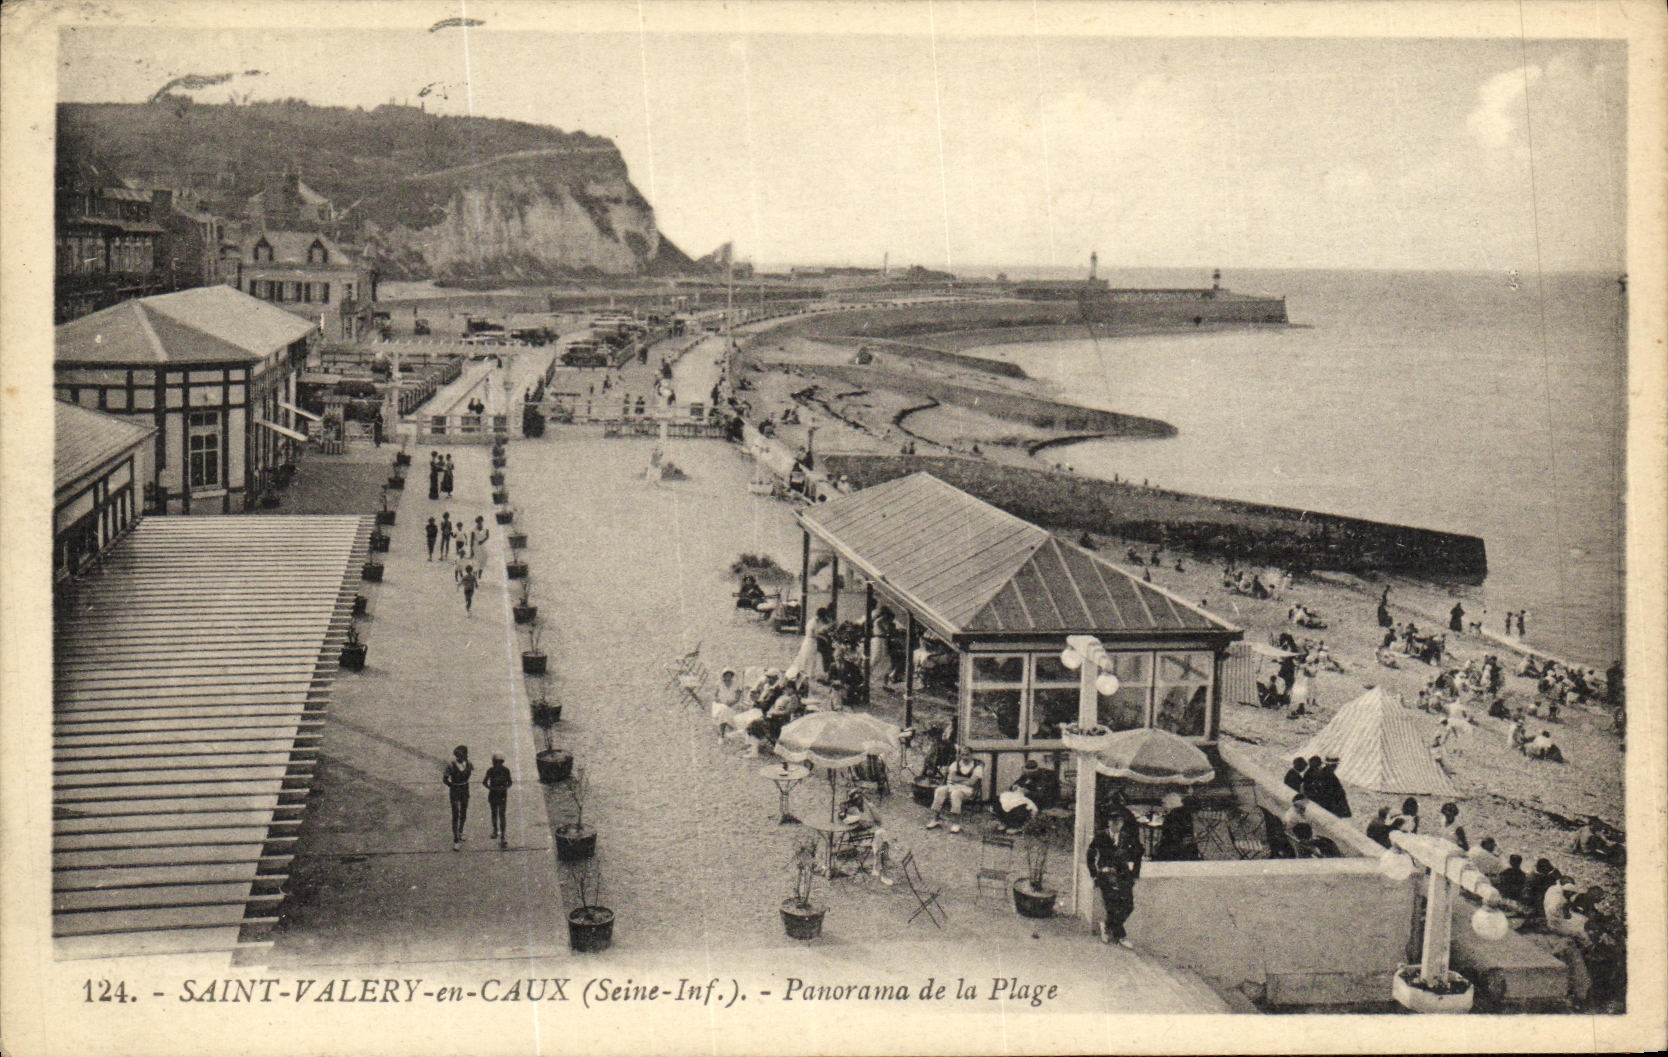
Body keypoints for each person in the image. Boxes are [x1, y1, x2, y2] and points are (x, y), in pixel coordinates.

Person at [1088, 812, 1143, 948]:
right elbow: (1090, 854)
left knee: (1129, 905)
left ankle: (1107, 925)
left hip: (1124, 874)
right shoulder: (1101, 836)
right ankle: (1120, 935)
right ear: (1108, 823)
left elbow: (1138, 853)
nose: (1116, 825)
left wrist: (1135, 873)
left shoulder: (1126, 838)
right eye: (1113, 822)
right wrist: (1094, 874)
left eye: (1118, 822)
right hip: (1106, 872)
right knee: (1112, 902)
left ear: (1122, 823)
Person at [839, 789, 894, 885]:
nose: (860, 801)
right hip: (860, 837)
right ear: (853, 800)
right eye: (856, 799)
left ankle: (880, 865)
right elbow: (852, 825)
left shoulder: (866, 806)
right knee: (880, 835)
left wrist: (871, 806)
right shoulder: (852, 810)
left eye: (860, 798)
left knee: (880, 836)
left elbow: (879, 820)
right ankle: (881, 870)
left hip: (871, 834)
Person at [926, 748, 983, 833]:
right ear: (960, 755)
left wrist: (959, 779)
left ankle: (956, 823)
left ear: (972, 755)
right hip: (952, 786)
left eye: (967, 754)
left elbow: (972, 782)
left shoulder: (977, 767)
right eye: (963, 755)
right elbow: (953, 778)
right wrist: (966, 779)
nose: (965, 757)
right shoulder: (955, 764)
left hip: (967, 790)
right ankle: (935, 819)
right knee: (940, 790)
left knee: (955, 794)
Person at [1154, 791, 1199, 861]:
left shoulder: (1171, 816)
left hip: (1175, 851)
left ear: (1170, 804)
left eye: (1164, 803)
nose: (1162, 806)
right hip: (1189, 849)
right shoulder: (1185, 813)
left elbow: (1170, 836)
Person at [443, 746, 473, 849]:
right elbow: (445, 779)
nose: (460, 757)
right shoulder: (451, 766)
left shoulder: (469, 764)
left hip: (465, 789)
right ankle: (456, 839)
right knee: (455, 813)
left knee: (463, 812)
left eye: (462, 755)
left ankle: (460, 831)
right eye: (458, 756)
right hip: (455, 790)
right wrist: (452, 786)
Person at [483, 753, 512, 848]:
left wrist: (504, 788)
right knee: (494, 813)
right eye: (495, 762)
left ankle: (503, 834)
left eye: (499, 762)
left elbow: (510, 782)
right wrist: (491, 788)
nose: (497, 764)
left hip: (502, 794)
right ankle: (495, 830)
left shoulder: (506, 771)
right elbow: (484, 782)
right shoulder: (490, 771)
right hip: (493, 794)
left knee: (502, 814)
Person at [710, 668, 744, 739]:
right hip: (719, 705)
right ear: (723, 676)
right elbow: (714, 696)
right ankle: (722, 734)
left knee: (725, 711)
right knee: (723, 710)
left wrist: (731, 702)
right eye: (726, 675)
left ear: (732, 676)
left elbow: (738, 698)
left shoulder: (736, 684)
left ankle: (724, 734)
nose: (728, 677)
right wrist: (721, 702)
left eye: (730, 675)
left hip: (732, 705)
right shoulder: (719, 683)